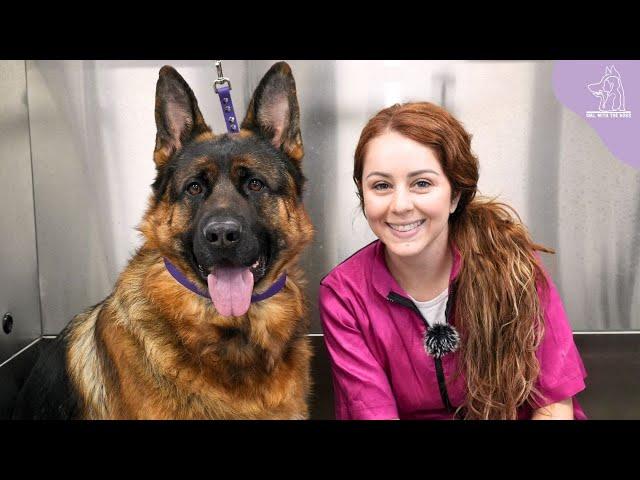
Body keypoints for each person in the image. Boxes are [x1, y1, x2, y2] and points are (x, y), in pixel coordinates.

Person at [319, 102, 587, 420]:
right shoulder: (344, 295)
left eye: (422, 183)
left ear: (455, 195)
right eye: (381, 186)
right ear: (363, 197)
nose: (400, 205)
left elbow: (553, 404)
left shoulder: (514, 265)